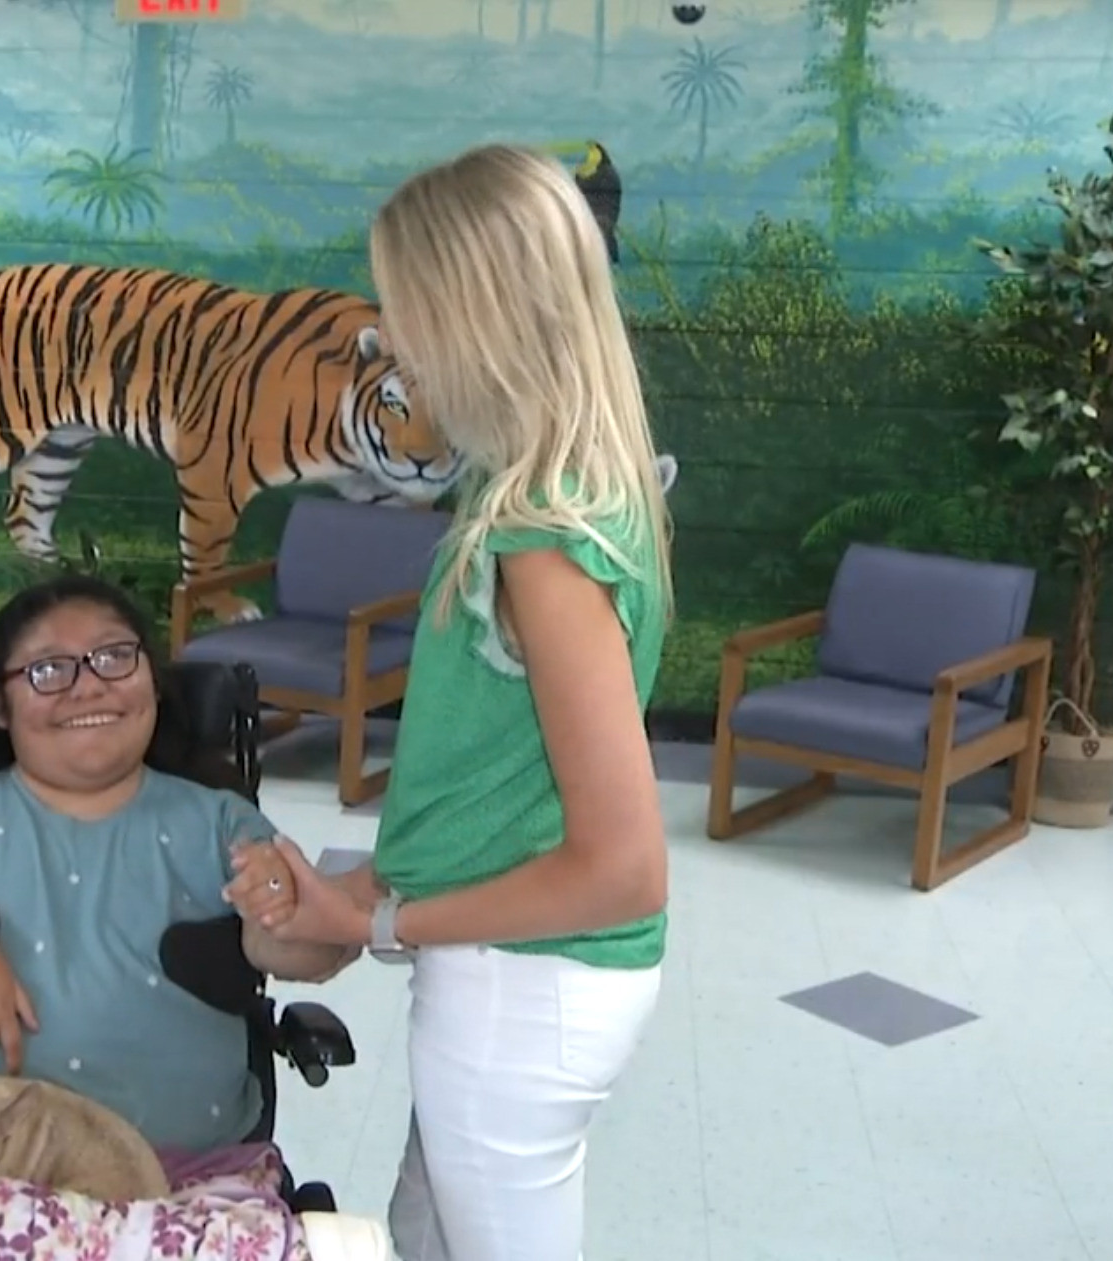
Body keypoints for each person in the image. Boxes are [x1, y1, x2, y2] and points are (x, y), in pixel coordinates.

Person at [229, 144, 675, 1261]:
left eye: (404, 302)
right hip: (515, 978)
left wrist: (379, 919)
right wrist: (363, 890)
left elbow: (620, 863)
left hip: (523, 997)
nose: (389, 334)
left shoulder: (543, 543)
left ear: (474, 316)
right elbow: (495, 786)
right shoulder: (565, 493)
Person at [0, 574, 357, 1161]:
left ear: (153, 683)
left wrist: (289, 913)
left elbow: (303, 956)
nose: (89, 687)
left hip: (187, 1181)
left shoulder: (223, 825)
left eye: (115, 657)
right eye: (48, 669)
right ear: (0, 706)